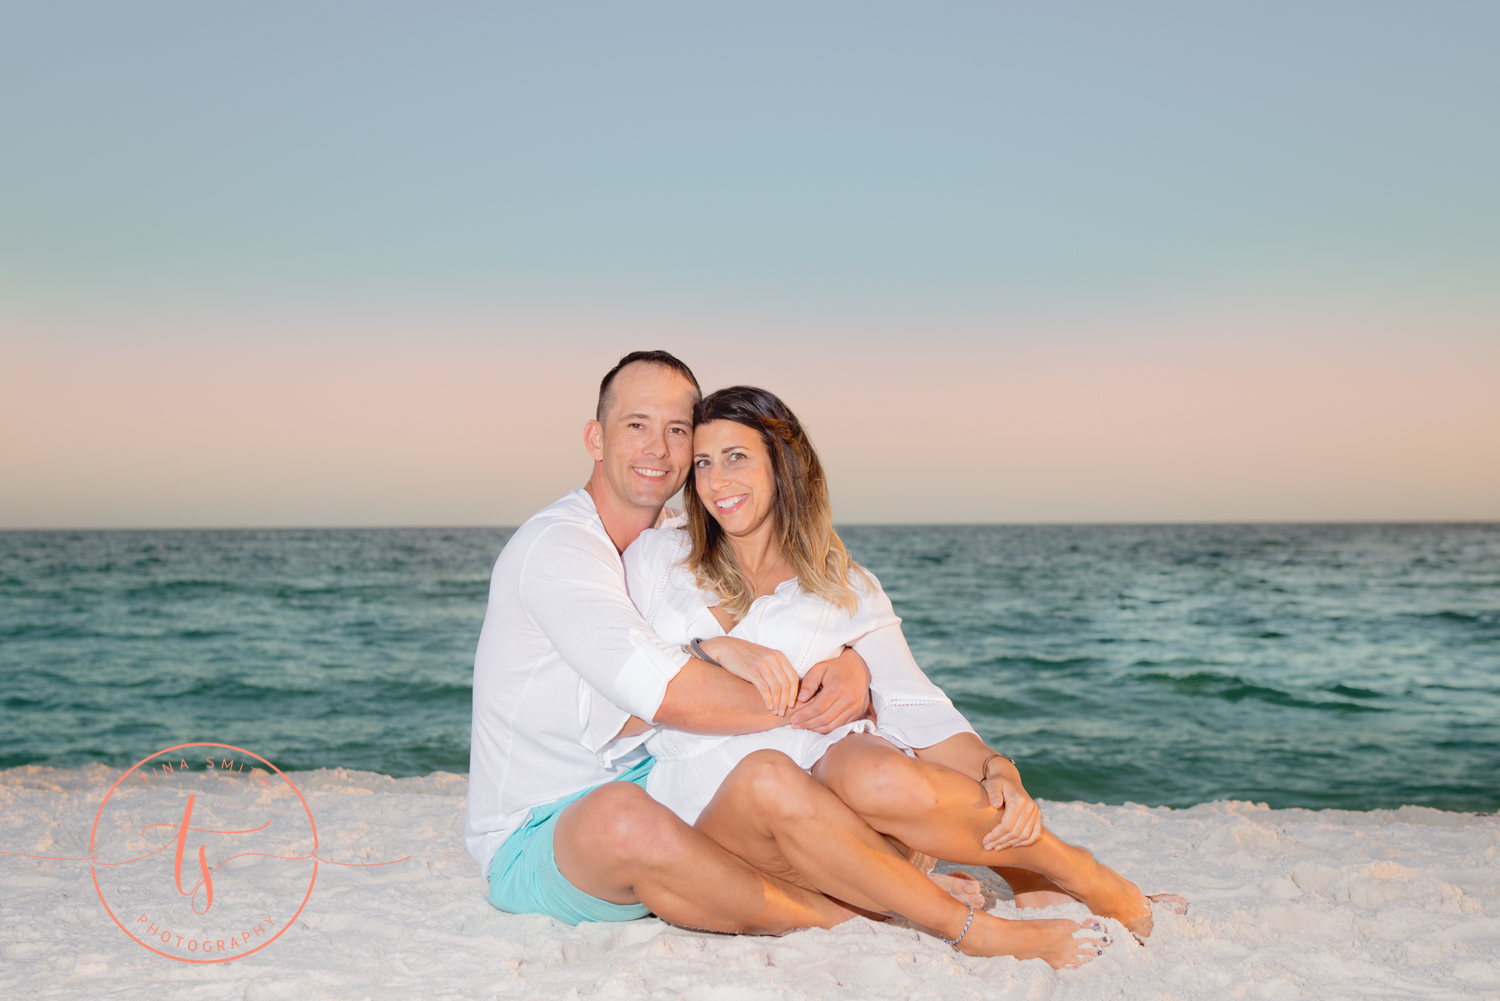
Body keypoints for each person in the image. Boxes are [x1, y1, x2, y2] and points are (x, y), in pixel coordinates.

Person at [609, 385, 1184, 963]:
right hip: (722, 819)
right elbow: (612, 685)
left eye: (737, 457)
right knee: (769, 776)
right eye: (703, 463)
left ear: (783, 465)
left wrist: (996, 767)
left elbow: (916, 706)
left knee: (873, 769)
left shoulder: (842, 585)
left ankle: (1079, 874)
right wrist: (712, 648)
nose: (716, 481)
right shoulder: (659, 560)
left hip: (847, 819)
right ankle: (970, 926)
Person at [466, 351, 882, 937]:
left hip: (656, 784)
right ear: (596, 438)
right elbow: (668, 693)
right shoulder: (557, 549)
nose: (658, 449)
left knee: (819, 766)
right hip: (541, 830)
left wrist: (851, 664)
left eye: (678, 430)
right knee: (622, 818)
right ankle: (847, 915)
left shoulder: (678, 539)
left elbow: (794, 614)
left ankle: (879, 875)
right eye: (636, 425)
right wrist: (814, 696)